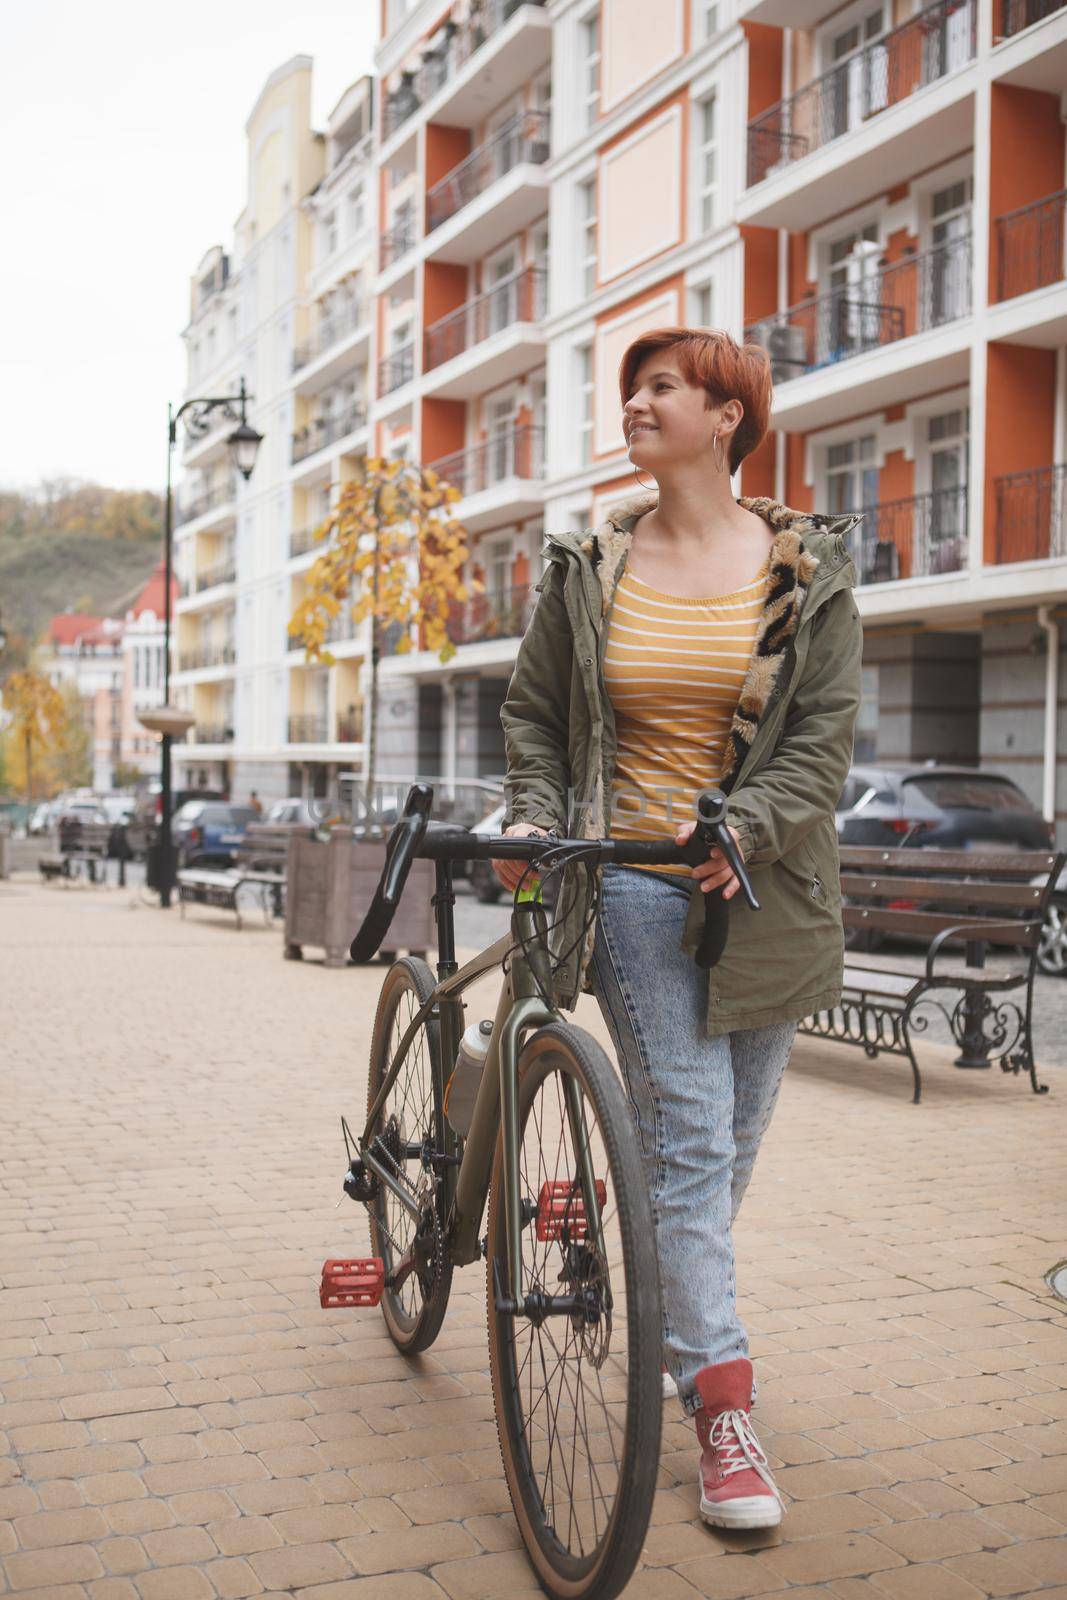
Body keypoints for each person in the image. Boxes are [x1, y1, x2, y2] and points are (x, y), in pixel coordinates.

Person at [493, 326, 862, 1532]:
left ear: (725, 417)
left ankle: (655, 1295)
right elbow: (537, 719)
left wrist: (746, 826)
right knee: (696, 1142)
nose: (636, 403)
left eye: (661, 387)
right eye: (631, 389)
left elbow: (819, 745)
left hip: (764, 890)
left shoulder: (807, 571)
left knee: (724, 1146)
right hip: (630, 881)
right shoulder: (586, 566)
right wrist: (538, 818)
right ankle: (721, 1409)